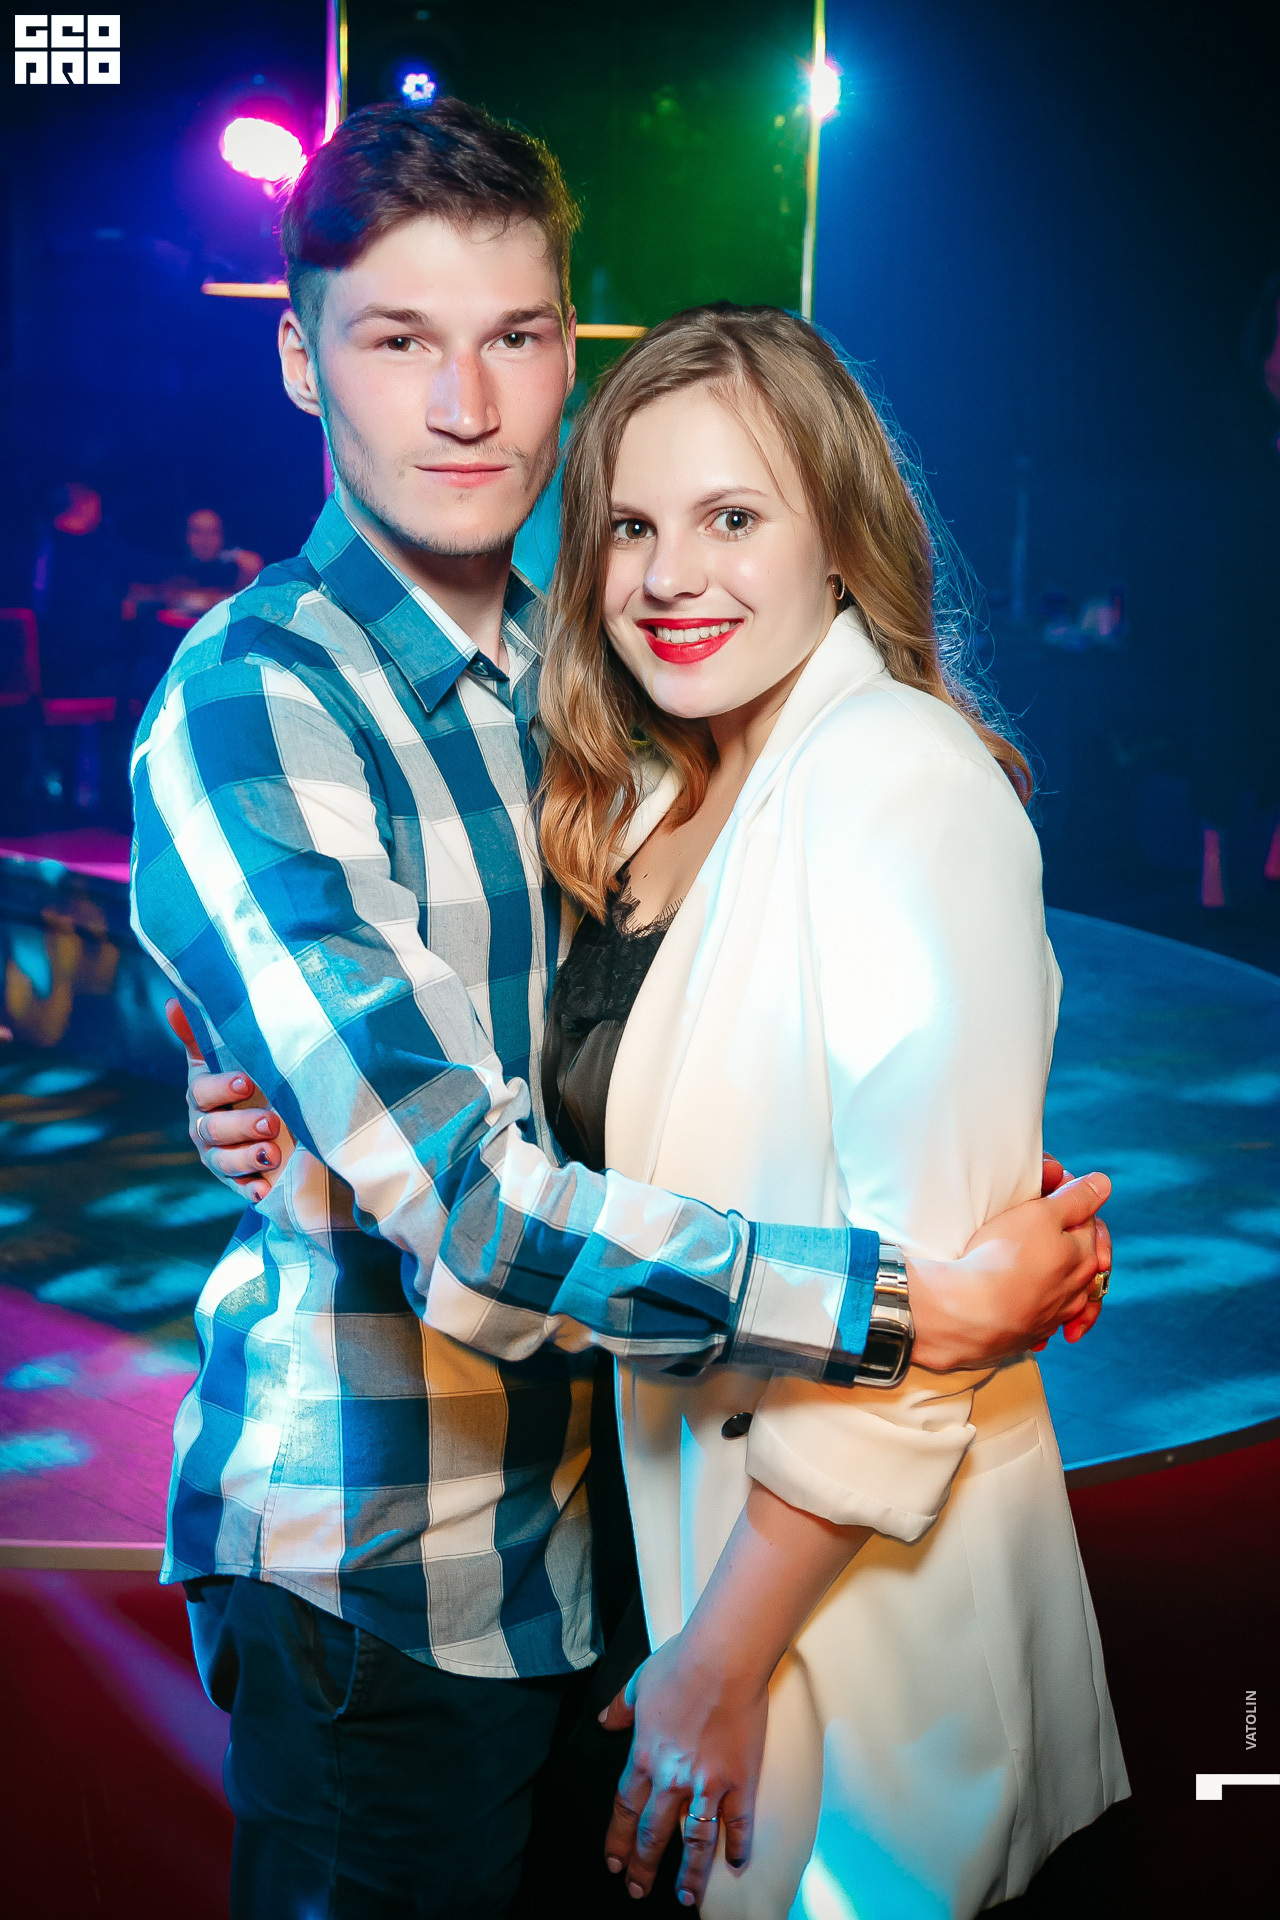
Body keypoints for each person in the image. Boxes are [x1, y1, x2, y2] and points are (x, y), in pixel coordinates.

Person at [150, 100, 1111, 1920]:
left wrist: (968, 1177)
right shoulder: (256, 701)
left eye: (514, 337)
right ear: (299, 359)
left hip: (622, 1546)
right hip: (391, 1571)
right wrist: (910, 1299)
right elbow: (478, 1208)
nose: (467, 405)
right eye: (398, 340)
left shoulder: (597, 682)